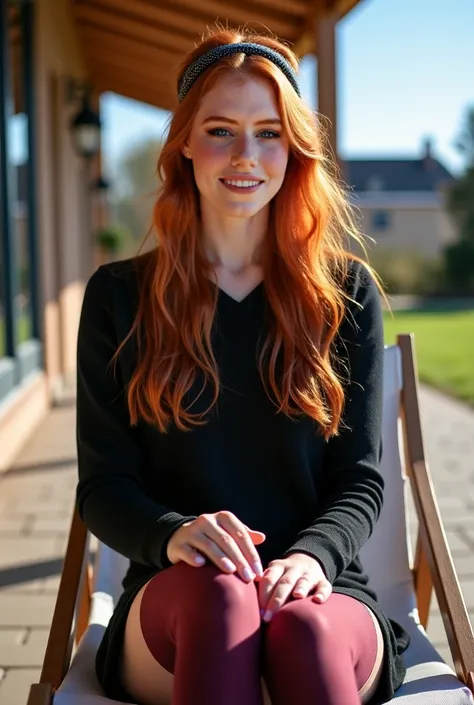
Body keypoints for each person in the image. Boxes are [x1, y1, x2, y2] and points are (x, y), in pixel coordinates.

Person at [76, 27, 410, 705]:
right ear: (185, 147)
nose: (246, 155)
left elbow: (360, 480)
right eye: (222, 130)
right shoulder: (118, 298)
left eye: (269, 132)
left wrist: (311, 556)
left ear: (293, 149)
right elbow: (103, 487)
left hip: (324, 590)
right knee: (222, 601)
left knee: (303, 631)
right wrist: (174, 533)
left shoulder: (344, 295)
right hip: (176, 597)